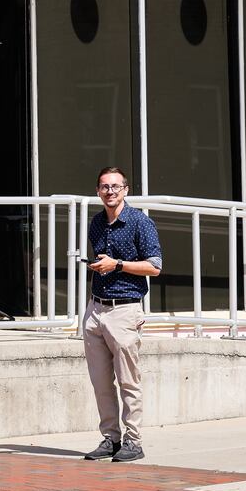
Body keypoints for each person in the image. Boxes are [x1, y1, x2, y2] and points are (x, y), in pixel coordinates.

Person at [81, 165, 162, 463]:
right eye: (104, 187)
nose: (110, 191)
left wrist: (117, 265)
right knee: (101, 381)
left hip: (125, 310)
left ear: (126, 190)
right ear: (98, 191)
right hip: (95, 309)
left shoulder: (140, 223)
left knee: (128, 381)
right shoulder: (96, 223)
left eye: (115, 186)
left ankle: (134, 440)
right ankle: (110, 438)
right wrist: (100, 265)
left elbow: (155, 266)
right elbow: (104, 260)